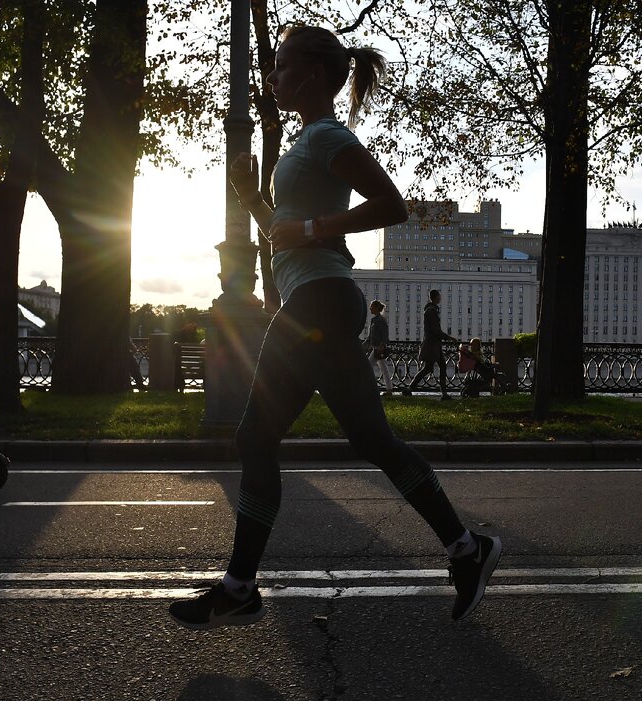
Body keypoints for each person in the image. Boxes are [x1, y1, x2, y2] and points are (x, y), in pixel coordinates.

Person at [168, 25, 501, 629]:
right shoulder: (303, 141)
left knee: (255, 438)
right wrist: (252, 200)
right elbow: (283, 235)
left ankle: (240, 586)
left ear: (317, 75)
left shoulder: (326, 134)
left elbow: (392, 205)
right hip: (315, 297)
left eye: (284, 65)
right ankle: (465, 548)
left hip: (319, 301)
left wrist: (319, 228)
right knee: (369, 441)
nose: (274, 77)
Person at [404, 289, 457, 400]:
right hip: (432, 345)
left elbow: (434, 329)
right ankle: (411, 389)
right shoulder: (431, 310)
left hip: (433, 344)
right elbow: (435, 330)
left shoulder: (430, 309)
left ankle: (443, 394)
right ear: (436, 297)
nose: (440, 297)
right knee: (431, 368)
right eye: (439, 296)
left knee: (434, 367)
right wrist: (449, 338)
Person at [367, 299, 393, 395]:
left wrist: (382, 345)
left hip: (379, 348)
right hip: (376, 348)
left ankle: (370, 388)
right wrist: (364, 345)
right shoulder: (373, 320)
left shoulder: (380, 320)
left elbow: (385, 334)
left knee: (368, 367)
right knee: (384, 369)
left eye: (371, 306)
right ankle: (389, 389)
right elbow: (370, 337)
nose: (370, 308)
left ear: (376, 308)